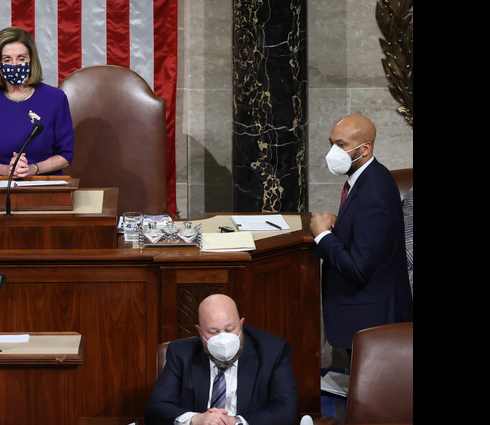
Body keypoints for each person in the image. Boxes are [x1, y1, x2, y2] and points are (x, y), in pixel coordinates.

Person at [310, 114, 413, 350]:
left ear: (365, 148)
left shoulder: (374, 189)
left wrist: (322, 236)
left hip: (372, 317)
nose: (333, 152)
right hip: (365, 311)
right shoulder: (366, 179)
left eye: (341, 145)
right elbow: (368, 235)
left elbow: (359, 268)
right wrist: (341, 224)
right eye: (332, 143)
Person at [144, 294, 297, 425]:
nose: (223, 338)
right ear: (199, 331)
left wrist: (237, 422)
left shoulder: (273, 351)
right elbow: (156, 408)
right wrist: (196, 419)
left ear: (241, 324)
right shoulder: (181, 353)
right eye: (213, 332)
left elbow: (286, 409)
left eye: (230, 329)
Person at [0, 26, 74, 178]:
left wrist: (32, 169)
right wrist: (7, 171)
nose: (15, 65)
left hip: (46, 186)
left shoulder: (55, 98)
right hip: (0, 187)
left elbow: (66, 155)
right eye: (7, 60)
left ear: (31, 60)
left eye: (21, 58)